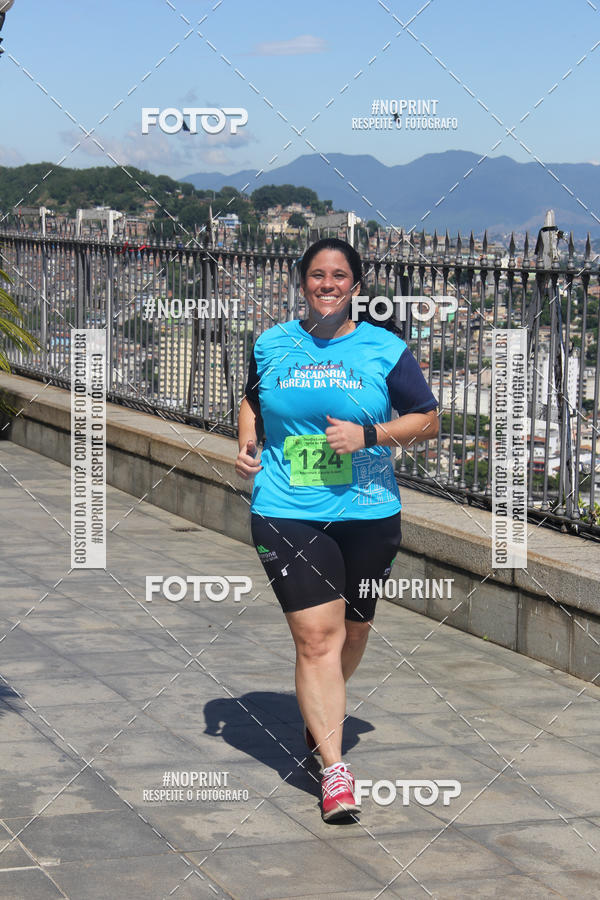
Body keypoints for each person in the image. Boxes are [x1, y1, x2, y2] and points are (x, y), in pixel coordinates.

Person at [235, 238, 438, 822]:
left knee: (352, 633)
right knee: (316, 640)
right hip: (288, 507)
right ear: (302, 282)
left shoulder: (384, 348)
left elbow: (428, 420)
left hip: (369, 513)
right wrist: (247, 442)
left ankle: (317, 712)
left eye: (340, 276)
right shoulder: (272, 343)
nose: (328, 284)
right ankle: (334, 769)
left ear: (356, 286)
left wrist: (367, 436)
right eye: (318, 275)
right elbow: (252, 401)